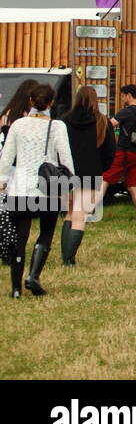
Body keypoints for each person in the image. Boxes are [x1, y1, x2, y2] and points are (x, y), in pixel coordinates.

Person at [0, 83, 74, 296]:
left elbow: (6, 157)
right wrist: (69, 184)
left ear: (31, 102)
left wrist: (2, 180)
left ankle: (15, 289)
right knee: (46, 232)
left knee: (19, 239)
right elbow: (66, 160)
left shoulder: (18, 125)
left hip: (20, 186)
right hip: (46, 187)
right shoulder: (57, 126)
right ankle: (33, 276)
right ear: (51, 103)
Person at [57, 86, 115, 266]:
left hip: (66, 172)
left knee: (69, 213)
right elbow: (110, 151)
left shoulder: (63, 121)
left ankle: (65, 255)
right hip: (90, 172)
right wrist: (101, 167)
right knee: (80, 215)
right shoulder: (102, 122)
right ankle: (69, 258)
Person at [104, 85, 136, 222]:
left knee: (105, 179)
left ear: (129, 96)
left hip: (124, 152)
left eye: (123, 95)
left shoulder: (126, 112)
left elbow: (110, 125)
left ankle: (89, 212)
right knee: (133, 186)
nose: (122, 98)